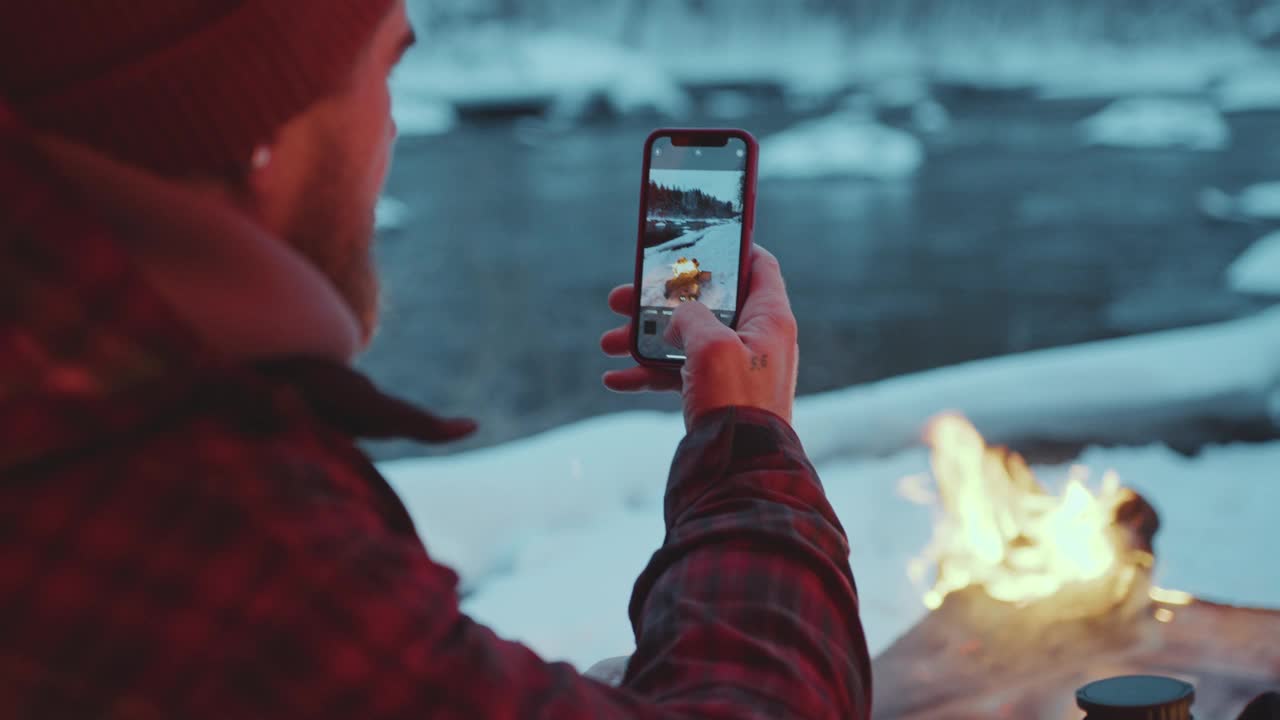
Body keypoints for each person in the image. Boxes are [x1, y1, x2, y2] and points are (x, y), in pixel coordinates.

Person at [0, 1, 872, 718]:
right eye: (383, 71)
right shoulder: (231, 536)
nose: (392, 131)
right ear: (257, 131)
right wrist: (746, 446)